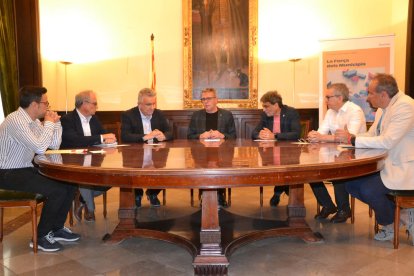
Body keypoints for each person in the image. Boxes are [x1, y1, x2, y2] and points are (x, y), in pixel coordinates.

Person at [0, 86, 80, 252]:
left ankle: (56, 228)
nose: (48, 107)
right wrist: (49, 124)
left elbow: (53, 144)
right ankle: (42, 236)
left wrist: (55, 124)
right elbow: (40, 147)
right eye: (46, 103)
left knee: (69, 184)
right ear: (34, 104)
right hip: (7, 173)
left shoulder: (33, 121)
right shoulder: (16, 120)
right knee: (56, 190)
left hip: (23, 169)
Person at [335, 73, 414, 243]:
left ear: (383, 94)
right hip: (386, 164)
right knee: (350, 184)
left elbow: (387, 141)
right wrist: (350, 139)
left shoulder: (405, 106)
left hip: (404, 167)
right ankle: (400, 216)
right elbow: (371, 135)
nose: (367, 97)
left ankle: (391, 223)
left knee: (369, 189)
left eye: (370, 93)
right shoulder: (382, 109)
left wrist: (353, 139)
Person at [307, 83, 366, 223]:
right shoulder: (330, 112)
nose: (325, 100)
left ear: (340, 98)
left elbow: (349, 138)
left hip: (357, 155)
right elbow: (322, 132)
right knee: (310, 171)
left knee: (338, 170)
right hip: (334, 153)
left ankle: (344, 210)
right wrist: (314, 135)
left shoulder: (355, 111)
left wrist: (323, 138)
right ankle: (328, 205)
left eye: (328, 97)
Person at [61, 90, 116, 222]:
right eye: (95, 103)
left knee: (112, 179)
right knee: (84, 178)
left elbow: (103, 136)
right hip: (72, 162)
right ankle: (90, 209)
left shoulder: (94, 119)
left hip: (94, 159)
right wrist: (102, 138)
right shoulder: (67, 119)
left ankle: (81, 199)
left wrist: (107, 139)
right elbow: (75, 140)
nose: (97, 106)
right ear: (84, 103)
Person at [121, 88, 173, 207]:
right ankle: (137, 194)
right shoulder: (128, 115)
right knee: (134, 172)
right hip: (135, 154)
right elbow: (125, 136)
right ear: (139, 104)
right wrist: (145, 136)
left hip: (156, 153)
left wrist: (163, 135)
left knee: (166, 171)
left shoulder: (159, 114)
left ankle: (152, 193)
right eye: (148, 104)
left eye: (154, 103)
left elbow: (170, 131)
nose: (152, 107)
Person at [187, 88, 236, 207]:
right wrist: (200, 136)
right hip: (201, 154)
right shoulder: (196, 115)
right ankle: (203, 195)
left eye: (208, 98)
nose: (205, 101)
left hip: (222, 154)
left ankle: (220, 195)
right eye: (203, 99)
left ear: (216, 100)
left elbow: (233, 136)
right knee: (201, 168)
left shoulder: (226, 115)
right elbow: (189, 136)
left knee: (221, 168)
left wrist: (222, 135)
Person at [251, 90, 301, 207]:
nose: (264, 109)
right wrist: (260, 135)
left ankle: (279, 193)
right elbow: (254, 133)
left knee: (283, 168)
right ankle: (282, 192)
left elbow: (296, 134)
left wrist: (275, 136)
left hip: (289, 152)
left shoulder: (291, 112)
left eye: (266, 106)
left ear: (276, 105)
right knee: (276, 167)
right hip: (270, 152)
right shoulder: (265, 115)